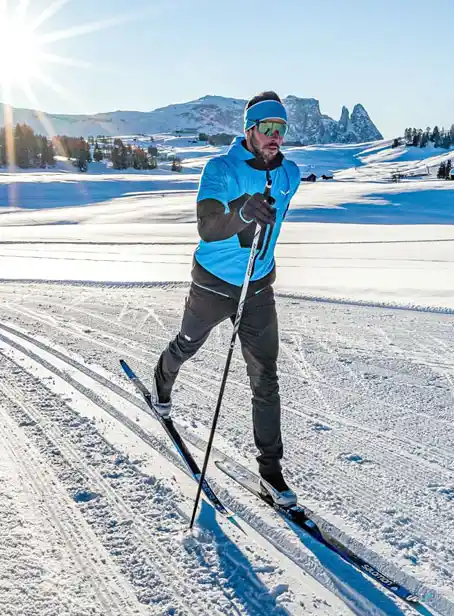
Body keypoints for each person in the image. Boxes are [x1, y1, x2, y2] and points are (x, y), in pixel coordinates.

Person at [152, 91, 301, 506]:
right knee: (187, 344)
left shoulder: (290, 174)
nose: (275, 137)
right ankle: (161, 384)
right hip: (214, 284)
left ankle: (271, 472)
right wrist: (243, 213)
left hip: (258, 287)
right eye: (267, 128)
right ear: (249, 130)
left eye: (281, 129)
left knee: (264, 376)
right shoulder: (220, 169)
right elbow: (208, 227)